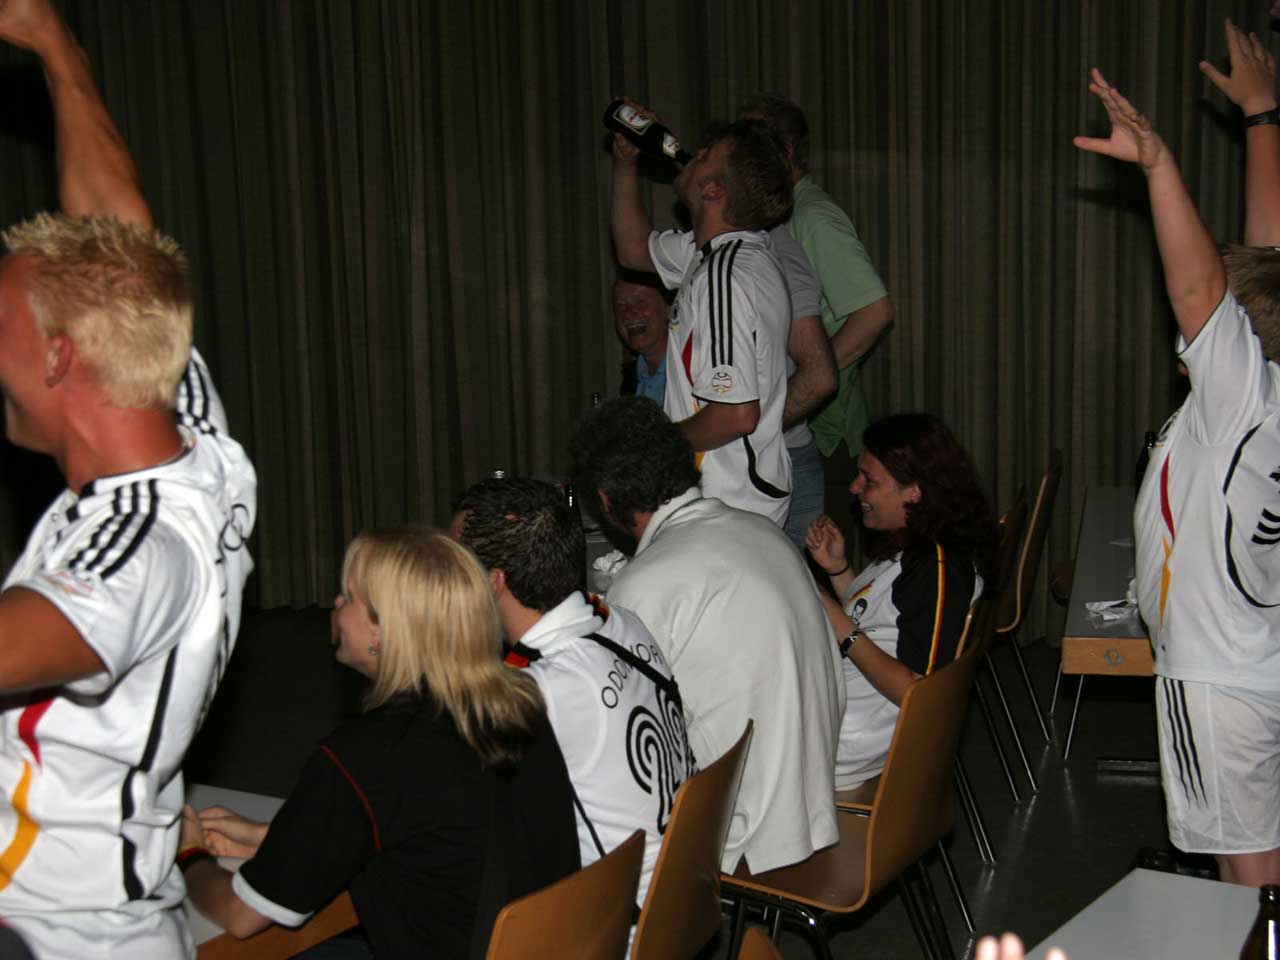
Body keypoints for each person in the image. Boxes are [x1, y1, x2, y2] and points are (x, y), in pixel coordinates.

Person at [0, 1, 258, 956]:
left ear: (59, 357)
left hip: (53, 933)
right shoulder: (185, 429)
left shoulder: (140, 546)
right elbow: (118, 234)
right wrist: (50, 42)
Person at [185, 529, 580, 956]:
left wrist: (188, 854)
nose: (335, 604)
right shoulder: (519, 710)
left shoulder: (369, 754)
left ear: (383, 630)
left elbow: (240, 916)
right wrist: (270, 837)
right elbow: (441, 835)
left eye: (348, 596)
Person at [1075, 67, 1280, 885]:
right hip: (1255, 653)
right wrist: (1262, 116)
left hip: (1214, 679)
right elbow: (1269, 260)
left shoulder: (1237, 403)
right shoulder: (1267, 389)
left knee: (1248, 877)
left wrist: (1160, 168)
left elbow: (1198, 286)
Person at [570, 396, 844, 874]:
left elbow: (619, 742)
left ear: (607, 502)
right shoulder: (765, 531)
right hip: (815, 801)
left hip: (743, 836)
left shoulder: (647, 583)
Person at [452, 476, 695, 911]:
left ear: (493, 582)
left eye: (452, 563)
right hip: (683, 893)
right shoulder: (622, 620)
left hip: (620, 926)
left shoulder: (538, 693)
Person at [611, 116, 797, 525]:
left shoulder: (725, 275)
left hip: (727, 504)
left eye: (706, 155)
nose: (692, 156)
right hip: (732, 505)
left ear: (713, 190)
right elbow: (633, 249)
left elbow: (735, 414)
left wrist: (652, 447)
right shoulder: (722, 254)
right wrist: (626, 164)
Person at [806, 414, 993, 795]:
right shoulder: (919, 546)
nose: (855, 487)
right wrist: (839, 570)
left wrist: (832, 616)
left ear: (914, 491)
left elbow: (917, 693)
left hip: (841, 737)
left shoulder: (938, 567)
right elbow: (885, 624)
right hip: (840, 714)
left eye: (870, 480)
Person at [738, 93, 893, 471]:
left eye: (751, 141)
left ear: (786, 151)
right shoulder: (778, 215)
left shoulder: (812, 216)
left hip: (823, 437)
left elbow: (875, 312)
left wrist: (806, 383)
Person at [614, 274, 671, 405]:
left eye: (640, 302)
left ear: (669, 308)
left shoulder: (692, 371)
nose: (629, 313)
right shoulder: (631, 381)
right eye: (620, 305)